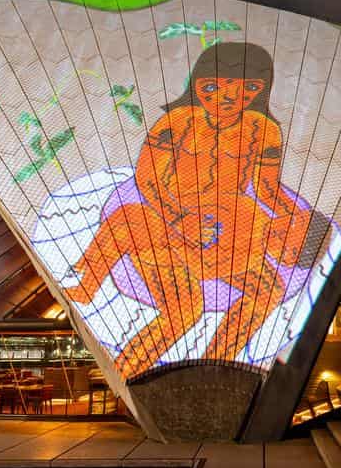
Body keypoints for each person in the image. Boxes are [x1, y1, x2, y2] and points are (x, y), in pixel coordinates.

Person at [66, 42, 313, 378]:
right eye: (213, 86)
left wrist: (294, 217)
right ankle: (128, 373)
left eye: (244, 89)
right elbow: (148, 180)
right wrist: (182, 220)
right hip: (169, 226)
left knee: (269, 291)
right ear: (198, 85)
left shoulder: (264, 131)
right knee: (183, 309)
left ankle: (213, 367)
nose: (227, 98)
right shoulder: (176, 121)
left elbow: (267, 189)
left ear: (257, 90)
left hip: (225, 234)